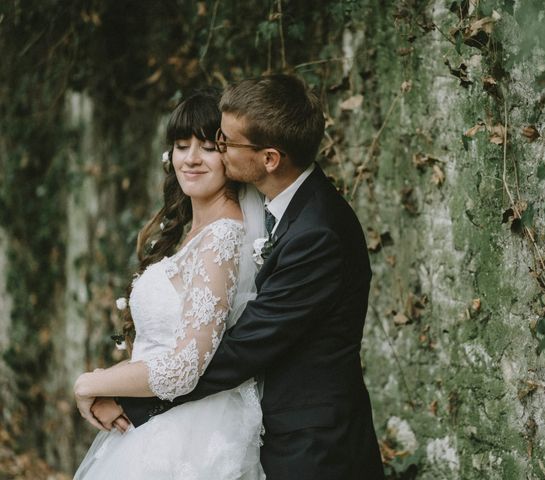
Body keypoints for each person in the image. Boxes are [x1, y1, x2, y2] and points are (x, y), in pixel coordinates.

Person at [104, 74, 385, 480]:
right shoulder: (284, 208)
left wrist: (129, 398)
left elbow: (243, 349)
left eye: (225, 143)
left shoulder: (317, 233)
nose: (217, 149)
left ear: (270, 158)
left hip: (315, 450)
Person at [72, 88, 266, 479]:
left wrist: (90, 382)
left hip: (192, 434)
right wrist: (115, 390)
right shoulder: (194, 233)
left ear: (228, 155)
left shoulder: (222, 239)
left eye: (208, 147)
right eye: (181, 145)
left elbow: (183, 367)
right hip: (159, 421)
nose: (191, 158)